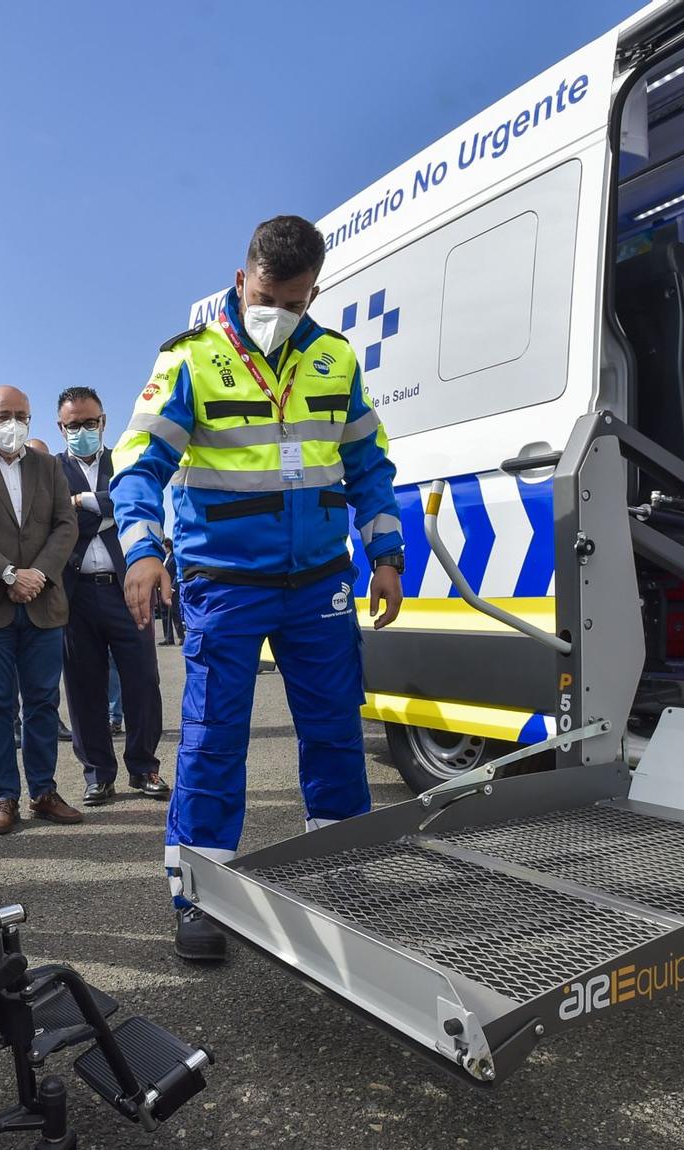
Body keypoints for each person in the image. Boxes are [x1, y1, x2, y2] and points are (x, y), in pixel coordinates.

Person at [113, 215, 405, 962]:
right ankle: (198, 895)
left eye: (298, 300)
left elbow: (368, 465)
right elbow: (140, 461)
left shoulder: (336, 361)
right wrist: (144, 548)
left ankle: (341, 876)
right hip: (225, 583)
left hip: (317, 584)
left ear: (315, 292)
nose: (280, 312)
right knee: (213, 739)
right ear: (242, 280)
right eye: (269, 294)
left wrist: (386, 554)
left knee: (337, 733)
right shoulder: (190, 360)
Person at [0, 386, 84, 834]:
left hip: (43, 602)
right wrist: (9, 574)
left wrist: (38, 574)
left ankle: (43, 791)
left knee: (44, 702)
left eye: (22, 415)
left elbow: (66, 526)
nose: (13, 423)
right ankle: (4, 797)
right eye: (3, 415)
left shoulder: (48, 467)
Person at [55, 386, 169, 807]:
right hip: (75, 595)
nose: (82, 430)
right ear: (60, 427)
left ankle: (144, 768)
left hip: (128, 590)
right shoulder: (50, 470)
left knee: (142, 681)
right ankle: (98, 775)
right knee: (84, 688)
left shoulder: (128, 461)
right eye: (73, 425)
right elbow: (54, 521)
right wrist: (110, 512)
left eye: (90, 422)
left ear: (104, 421)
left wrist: (85, 502)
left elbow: (143, 504)